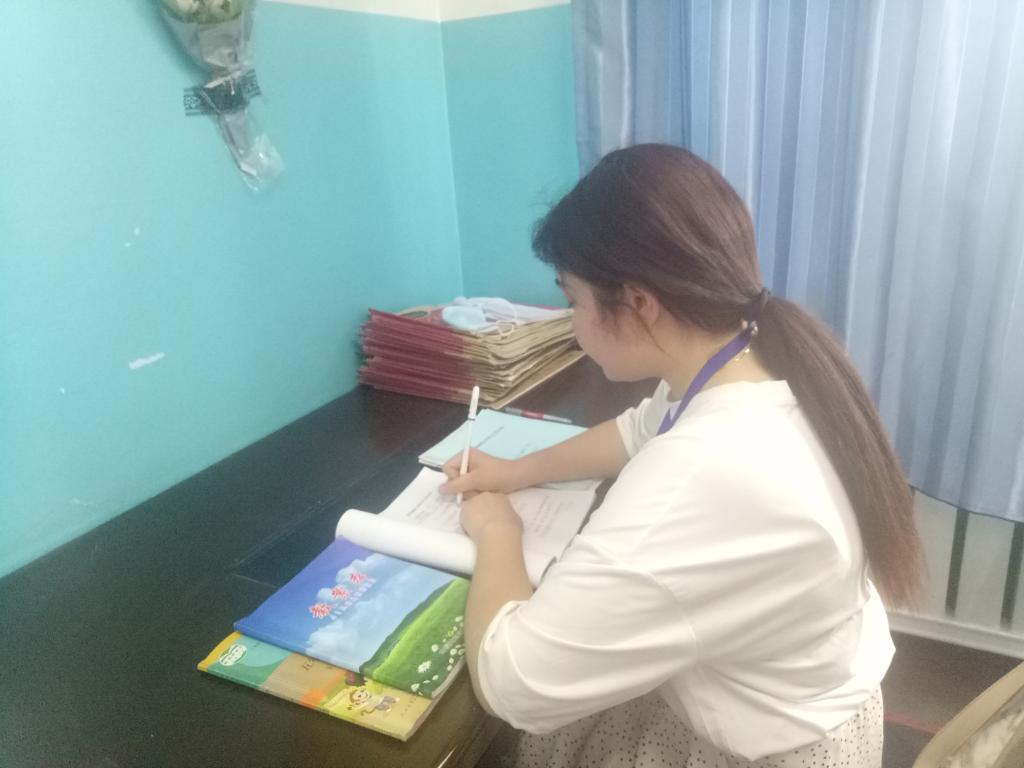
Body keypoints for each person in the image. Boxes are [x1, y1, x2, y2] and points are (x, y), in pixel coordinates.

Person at [440, 143, 923, 768]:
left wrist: (498, 530)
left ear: (638, 303)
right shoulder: (749, 358)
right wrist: (516, 471)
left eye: (573, 301)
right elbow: (639, 429)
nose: (573, 324)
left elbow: (512, 682)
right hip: (790, 692)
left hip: (769, 747)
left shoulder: (705, 471)